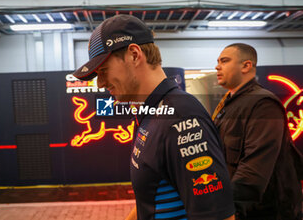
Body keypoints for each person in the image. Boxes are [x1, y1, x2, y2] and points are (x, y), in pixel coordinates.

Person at [73, 14, 235, 220]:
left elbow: (219, 216)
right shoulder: (152, 113)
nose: (101, 84)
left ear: (134, 55)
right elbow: (149, 201)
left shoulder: (180, 116)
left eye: (104, 70)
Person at [213, 43, 302, 220]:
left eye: (225, 61)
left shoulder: (263, 104)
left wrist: (227, 209)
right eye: (218, 61)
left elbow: (255, 166)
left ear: (246, 66)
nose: (217, 66)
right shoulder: (228, 104)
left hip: (265, 211)